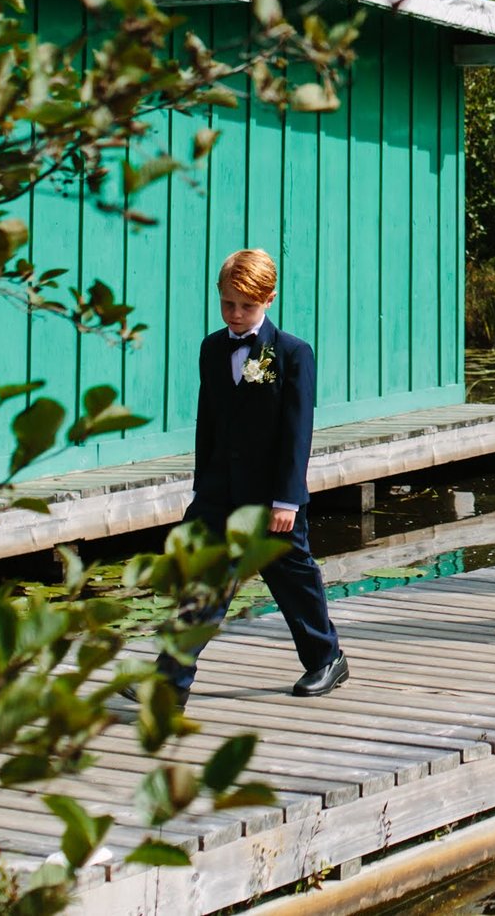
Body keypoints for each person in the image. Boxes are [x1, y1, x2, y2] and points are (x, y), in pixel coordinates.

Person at [155, 248, 347, 705]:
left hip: (271, 496)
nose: (236, 315)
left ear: (269, 300)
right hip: (220, 492)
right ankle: (169, 681)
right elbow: (209, 421)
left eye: (247, 306)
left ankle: (327, 658)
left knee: (292, 579)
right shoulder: (211, 348)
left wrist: (288, 500)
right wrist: (203, 486)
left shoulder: (294, 354)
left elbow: (297, 432)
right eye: (228, 304)